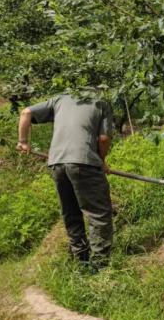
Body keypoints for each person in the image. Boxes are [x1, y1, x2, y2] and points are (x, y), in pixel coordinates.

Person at [17, 92, 114, 269]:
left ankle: (81, 261)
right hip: (84, 162)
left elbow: (26, 113)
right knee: (98, 214)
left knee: (71, 213)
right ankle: (100, 266)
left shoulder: (60, 99)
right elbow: (104, 138)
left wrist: (23, 142)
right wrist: (101, 160)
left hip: (57, 163)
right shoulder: (100, 102)